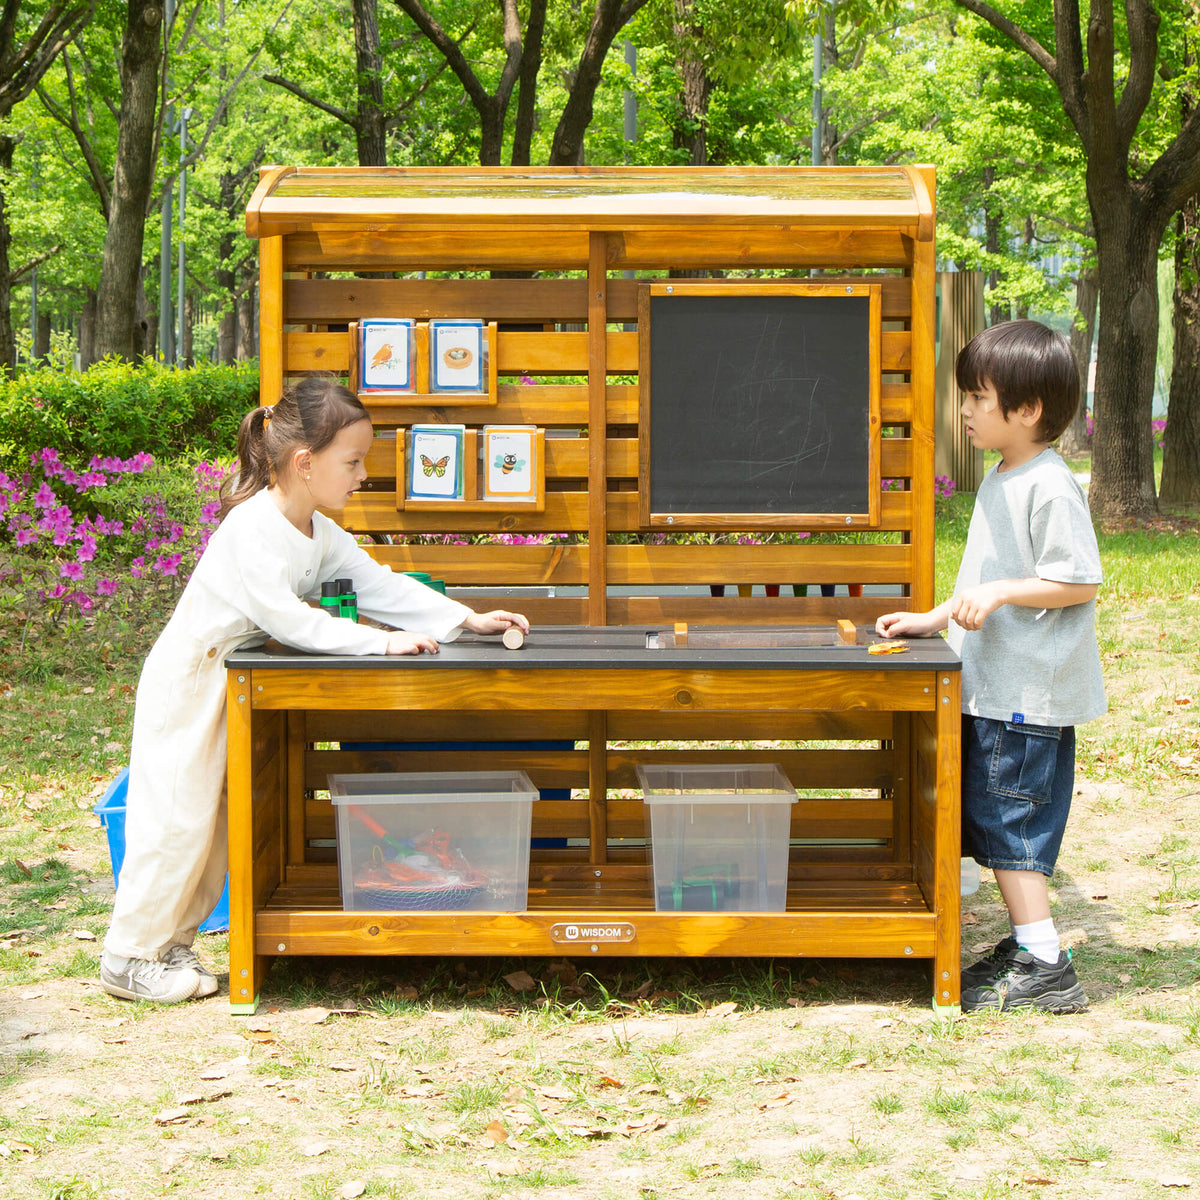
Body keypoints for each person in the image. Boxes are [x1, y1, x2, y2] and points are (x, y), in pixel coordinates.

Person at [100, 379, 529, 1004]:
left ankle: (172, 945)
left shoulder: (315, 530)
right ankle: (128, 955)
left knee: (218, 825)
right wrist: (382, 643)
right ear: (305, 464)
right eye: (351, 462)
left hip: (230, 684)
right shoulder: (252, 530)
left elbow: (381, 585)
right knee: (176, 819)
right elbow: (290, 620)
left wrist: (466, 619)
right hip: (189, 684)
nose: (362, 476)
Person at [875, 320, 1104, 1013]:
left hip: (1026, 696)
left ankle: (1046, 964)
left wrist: (1002, 593)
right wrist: (936, 617)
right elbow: (988, 575)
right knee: (992, 817)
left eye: (977, 397)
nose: (965, 411)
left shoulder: (1048, 485)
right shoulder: (1003, 478)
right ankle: (1025, 941)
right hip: (997, 687)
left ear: (1026, 410)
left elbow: (1079, 581)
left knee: (1012, 825)